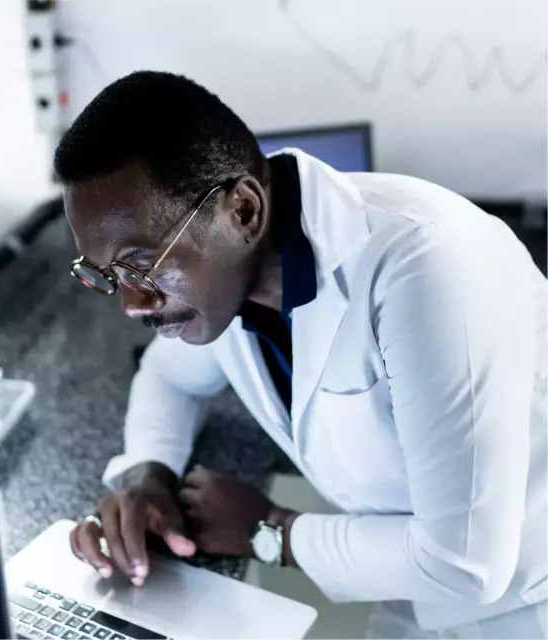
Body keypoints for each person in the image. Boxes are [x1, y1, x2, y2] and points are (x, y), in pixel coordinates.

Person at [54, 71, 547, 638]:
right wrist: (146, 477)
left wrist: (271, 530)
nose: (134, 304)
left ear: (242, 210)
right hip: (413, 593)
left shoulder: (425, 267)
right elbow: (167, 378)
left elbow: (467, 564)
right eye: (108, 276)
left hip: (526, 601)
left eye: (142, 264)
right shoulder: (226, 281)